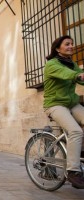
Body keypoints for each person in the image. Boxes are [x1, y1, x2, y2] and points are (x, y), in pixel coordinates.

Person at [43, 35, 84, 189]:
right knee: (75, 131)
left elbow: (80, 78)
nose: (71, 46)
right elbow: (67, 74)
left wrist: (81, 75)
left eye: (72, 44)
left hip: (71, 103)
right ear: (57, 48)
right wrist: (78, 75)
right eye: (67, 44)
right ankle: (73, 171)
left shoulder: (72, 64)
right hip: (55, 104)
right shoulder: (52, 64)